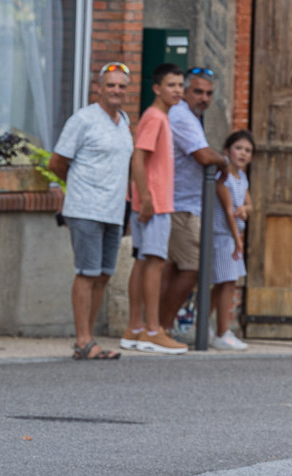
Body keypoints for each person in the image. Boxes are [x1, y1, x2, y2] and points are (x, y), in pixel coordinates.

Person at [49, 62, 134, 360]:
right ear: (99, 87)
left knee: (104, 274)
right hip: (85, 208)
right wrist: (72, 189)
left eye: (122, 86)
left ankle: (89, 338)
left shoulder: (123, 121)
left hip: (113, 210)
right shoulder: (83, 120)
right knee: (86, 272)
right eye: (111, 85)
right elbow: (57, 162)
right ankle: (83, 340)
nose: (116, 91)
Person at [119, 63, 188, 355]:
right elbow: (138, 158)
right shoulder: (156, 117)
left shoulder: (159, 117)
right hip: (155, 202)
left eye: (180, 85)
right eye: (171, 85)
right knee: (155, 262)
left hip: (154, 201)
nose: (177, 91)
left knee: (145, 262)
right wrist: (145, 198)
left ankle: (135, 328)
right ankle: (152, 330)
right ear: (157, 88)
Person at [158, 67, 228, 340]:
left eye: (209, 93)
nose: (204, 98)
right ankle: (161, 327)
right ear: (185, 92)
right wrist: (223, 161)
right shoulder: (182, 115)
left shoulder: (192, 117)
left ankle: (159, 326)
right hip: (181, 206)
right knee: (192, 268)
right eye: (198, 92)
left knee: (174, 268)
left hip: (184, 205)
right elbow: (203, 155)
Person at [209, 130, 254, 351]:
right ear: (227, 151)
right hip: (223, 236)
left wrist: (244, 209)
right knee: (226, 283)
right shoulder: (223, 177)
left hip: (232, 237)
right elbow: (228, 212)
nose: (243, 153)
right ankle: (221, 331)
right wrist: (238, 241)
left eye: (247, 150)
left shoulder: (242, 177)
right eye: (238, 148)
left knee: (224, 282)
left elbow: (249, 205)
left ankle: (207, 326)